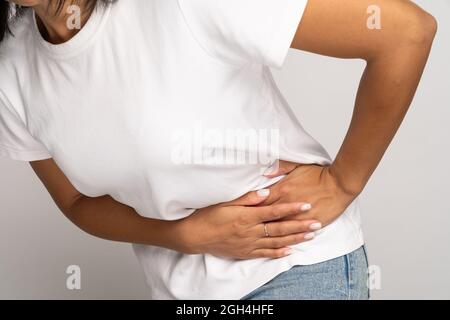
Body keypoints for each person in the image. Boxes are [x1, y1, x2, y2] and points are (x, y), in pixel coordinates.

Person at [0, 0, 437, 299]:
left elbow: (404, 33)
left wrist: (343, 182)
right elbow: (76, 201)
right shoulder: (12, 68)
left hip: (291, 263)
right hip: (181, 290)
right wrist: (186, 236)